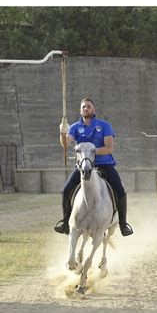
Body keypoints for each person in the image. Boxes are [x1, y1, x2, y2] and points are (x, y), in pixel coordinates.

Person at [54, 97, 134, 236]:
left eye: (88, 106)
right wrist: (62, 132)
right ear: (80, 110)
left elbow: (108, 148)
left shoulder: (104, 126)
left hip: (104, 164)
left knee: (120, 190)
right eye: (83, 107)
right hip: (82, 167)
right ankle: (65, 223)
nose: (86, 109)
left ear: (93, 109)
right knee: (65, 191)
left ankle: (123, 225)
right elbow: (66, 145)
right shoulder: (74, 127)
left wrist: (90, 150)